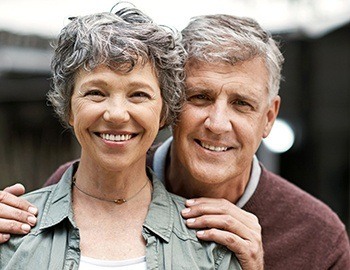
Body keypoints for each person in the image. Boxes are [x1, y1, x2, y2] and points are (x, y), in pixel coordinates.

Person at [1, 12, 350, 270]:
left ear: (269, 117)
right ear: (171, 105)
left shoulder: (319, 237)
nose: (217, 123)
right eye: (199, 97)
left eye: (241, 104)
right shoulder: (78, 188)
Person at [0, 6, 242, 270]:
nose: (116, 114)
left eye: (138, 94)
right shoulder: (11, 235)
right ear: (69, 108)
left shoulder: (210, 247)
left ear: (164, 112)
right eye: (96, 93)